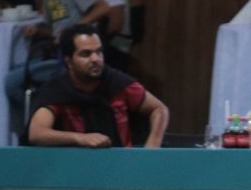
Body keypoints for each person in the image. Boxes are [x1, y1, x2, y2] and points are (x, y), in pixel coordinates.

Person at [4, 0, 110, 139]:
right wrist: (38, 30)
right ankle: (36, 123)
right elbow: (53, 28)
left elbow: (103, 8)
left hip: (69, 59)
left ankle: (36, 125)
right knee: (12, 80)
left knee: (13, 82)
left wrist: (76, 29)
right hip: (53, 52)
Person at [27, 24, 168, 148]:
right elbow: (37, 133)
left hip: (124, 167)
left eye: (99, 52)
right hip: (75, 168)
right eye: (86, 54)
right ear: (69, 61)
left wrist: (152, 146)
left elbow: (159, 108)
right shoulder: (56, 90)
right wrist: (80, 138)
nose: (95, 59)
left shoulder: (118, 83)